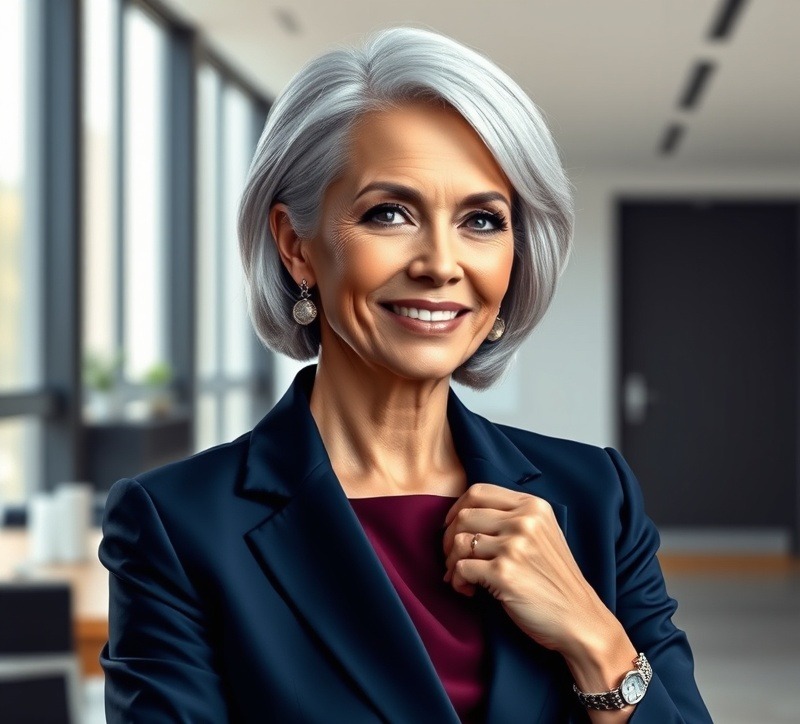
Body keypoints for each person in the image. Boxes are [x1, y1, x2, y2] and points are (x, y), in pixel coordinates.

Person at [99, 27, 712, 723]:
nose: (440, 264)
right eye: (389, 213)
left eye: (482, 220)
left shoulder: (598, 498)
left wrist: (595, 640)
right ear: (295, 245)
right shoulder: (179, 526)